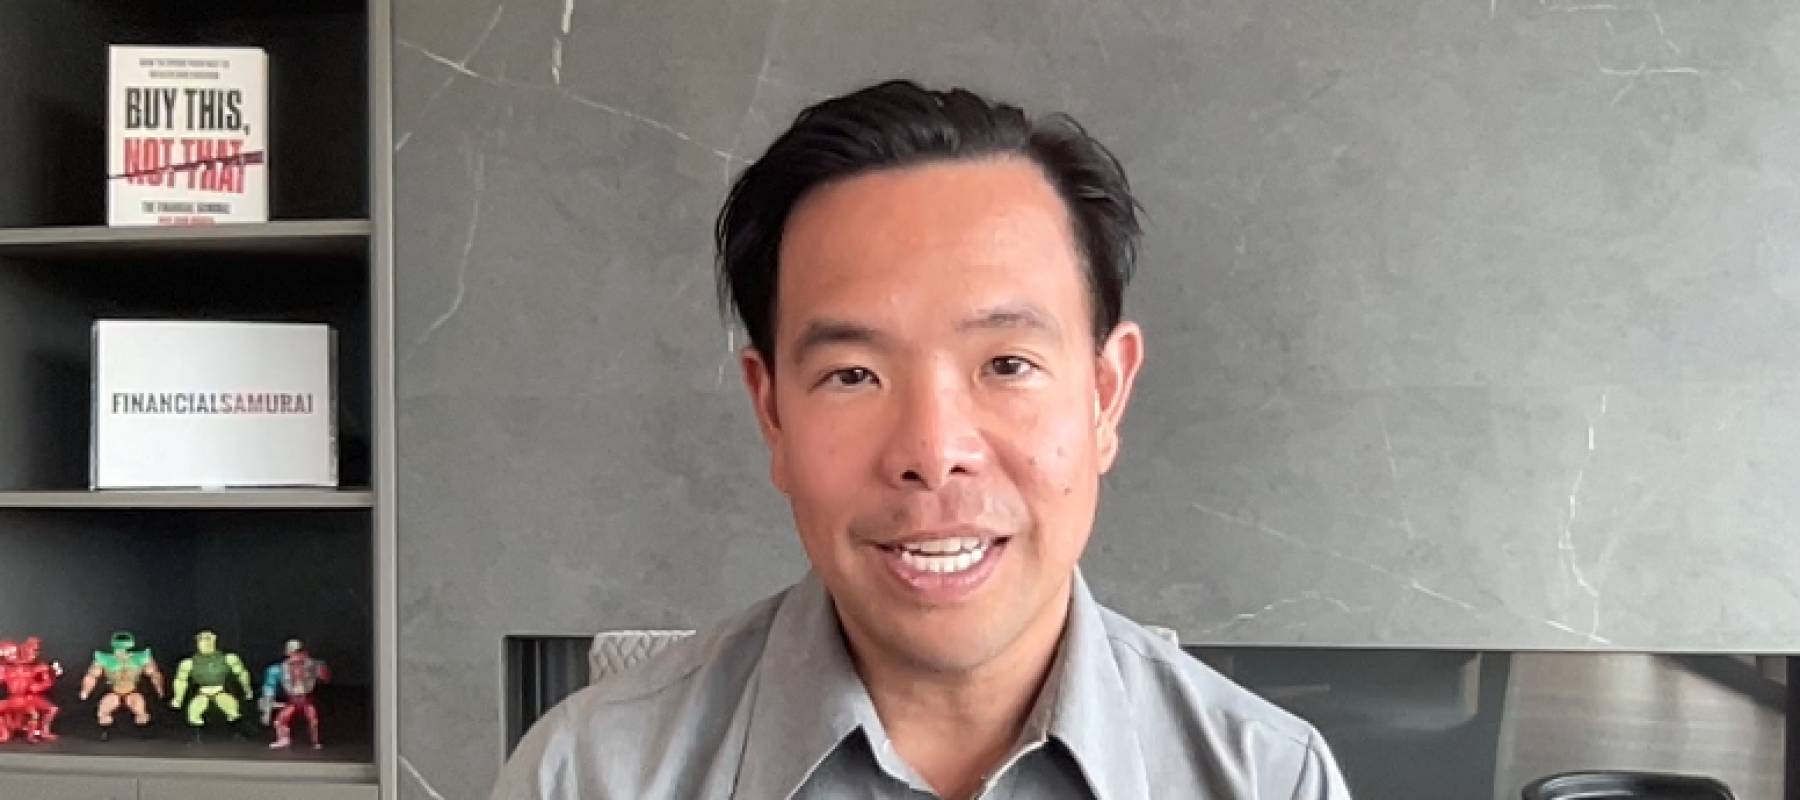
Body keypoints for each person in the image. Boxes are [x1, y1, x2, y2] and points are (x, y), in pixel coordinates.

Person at [493, 79, 1352, 799]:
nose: (933, 450)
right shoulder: (588, 776)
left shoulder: (1270, 780)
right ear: (773, 413)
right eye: (854, 375)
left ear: (1103, 394)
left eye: (1007, 363)